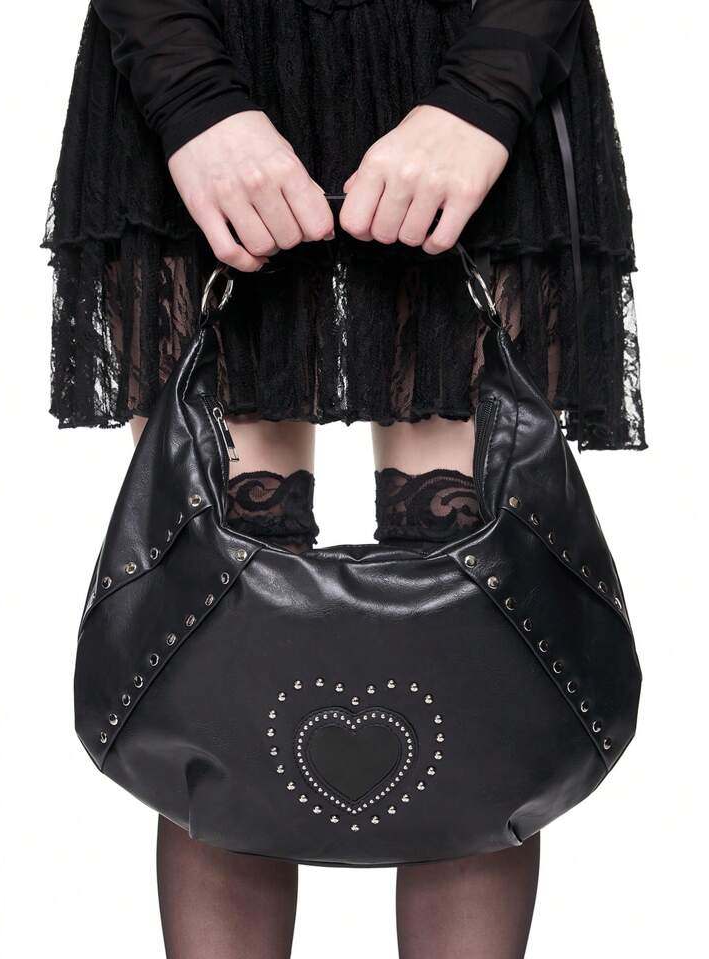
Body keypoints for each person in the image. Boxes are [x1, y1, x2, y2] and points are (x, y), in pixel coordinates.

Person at [43, 2, 647, 956]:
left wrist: (486, 90)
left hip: (476, 47)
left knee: (473, 660)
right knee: (224, 657)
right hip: (198, 51)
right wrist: (191, 95)